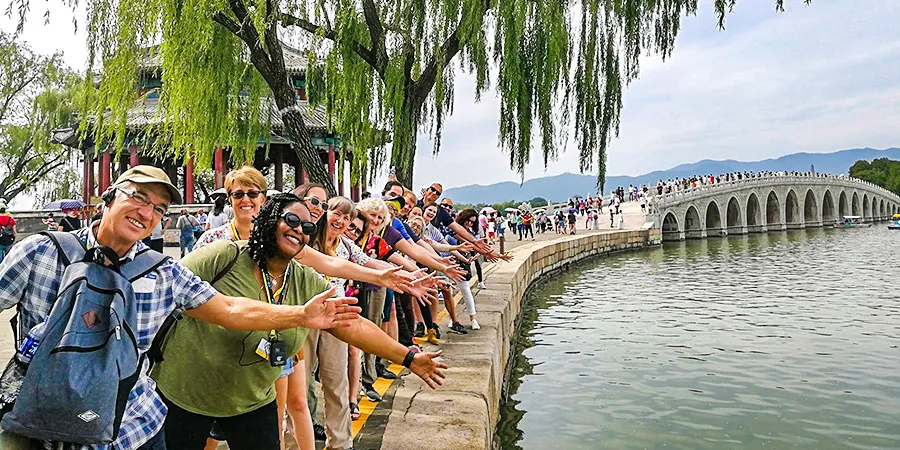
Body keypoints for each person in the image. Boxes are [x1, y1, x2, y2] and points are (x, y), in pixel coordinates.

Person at [0, 166, 362, 450]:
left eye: (158, 208)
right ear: (108, 197)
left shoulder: (162, 272)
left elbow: (230, 309)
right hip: (41, 421)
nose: (146, 212)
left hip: (131, 427)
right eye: (138, 197)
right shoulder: (40, 251)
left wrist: (300, 315)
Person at [152, 193, 447, 450]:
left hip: (251, 402)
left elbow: (351, 324)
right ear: (269, 219)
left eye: (307, 227)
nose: (299, 230)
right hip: (183, 397)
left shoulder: (305, 280)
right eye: (291, 219)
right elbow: (164, 287)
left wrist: (408, 357)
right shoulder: (224, 256)